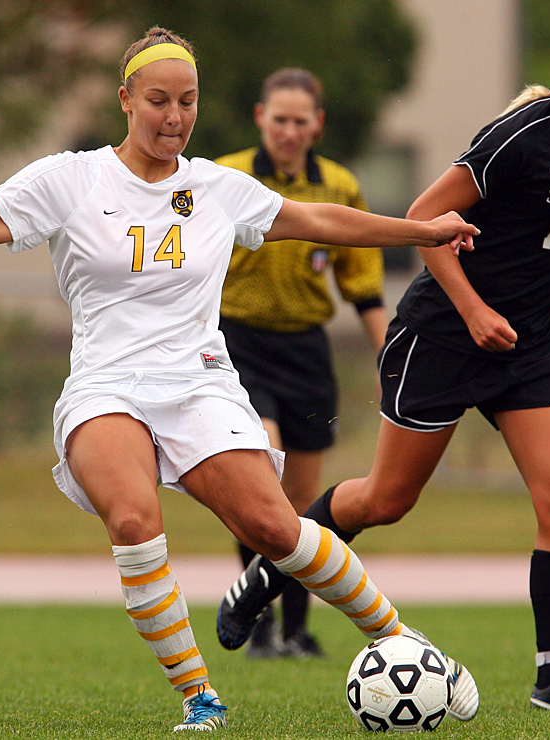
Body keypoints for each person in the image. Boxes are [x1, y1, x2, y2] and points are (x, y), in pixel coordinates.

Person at [0, 27, 480, 732]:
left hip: (199, 384)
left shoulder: (215, 188)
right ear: (125, 100)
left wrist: (420, 232)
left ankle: (407, 643)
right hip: (105, 385)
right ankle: (200, 698)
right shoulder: (70, 179)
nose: (173, 117)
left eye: (187, 102)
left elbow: (318, 219)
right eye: (157, 101)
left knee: (277, 528)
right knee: (132, 518)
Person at [217, 7, 550, 711]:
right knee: (386, 501)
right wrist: (475, 311)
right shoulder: (518, 137)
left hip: (533, 345)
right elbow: (425, 222)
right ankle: (271, 572)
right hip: (447, 333)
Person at [214, 68, 386, 660]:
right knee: (261, 471)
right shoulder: (225, 177)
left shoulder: (339, 186)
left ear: (318, 125)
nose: (289, 131)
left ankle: (294, 628)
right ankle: (257, 623)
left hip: (307, 350)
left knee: (302, 504)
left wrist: (392, 358)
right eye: (279, 119)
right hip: (236, 346)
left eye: (300, 121)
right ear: (261, 117)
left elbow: (363, 286)